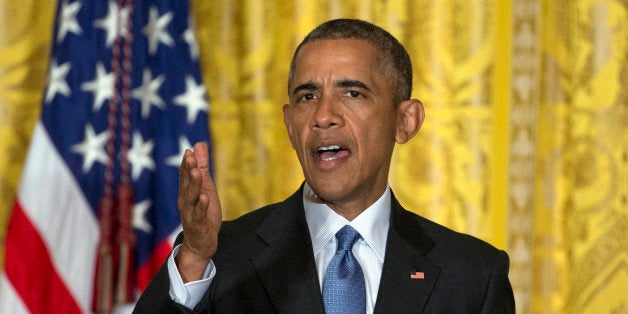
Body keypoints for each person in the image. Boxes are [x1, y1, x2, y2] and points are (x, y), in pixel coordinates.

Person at [134, 18, 515, 313]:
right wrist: (196, 258)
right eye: (307, 95)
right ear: (289, 124)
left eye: (352, 93)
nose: (323, 115)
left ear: (405, 122)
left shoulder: (472, 275)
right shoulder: (218, 259)